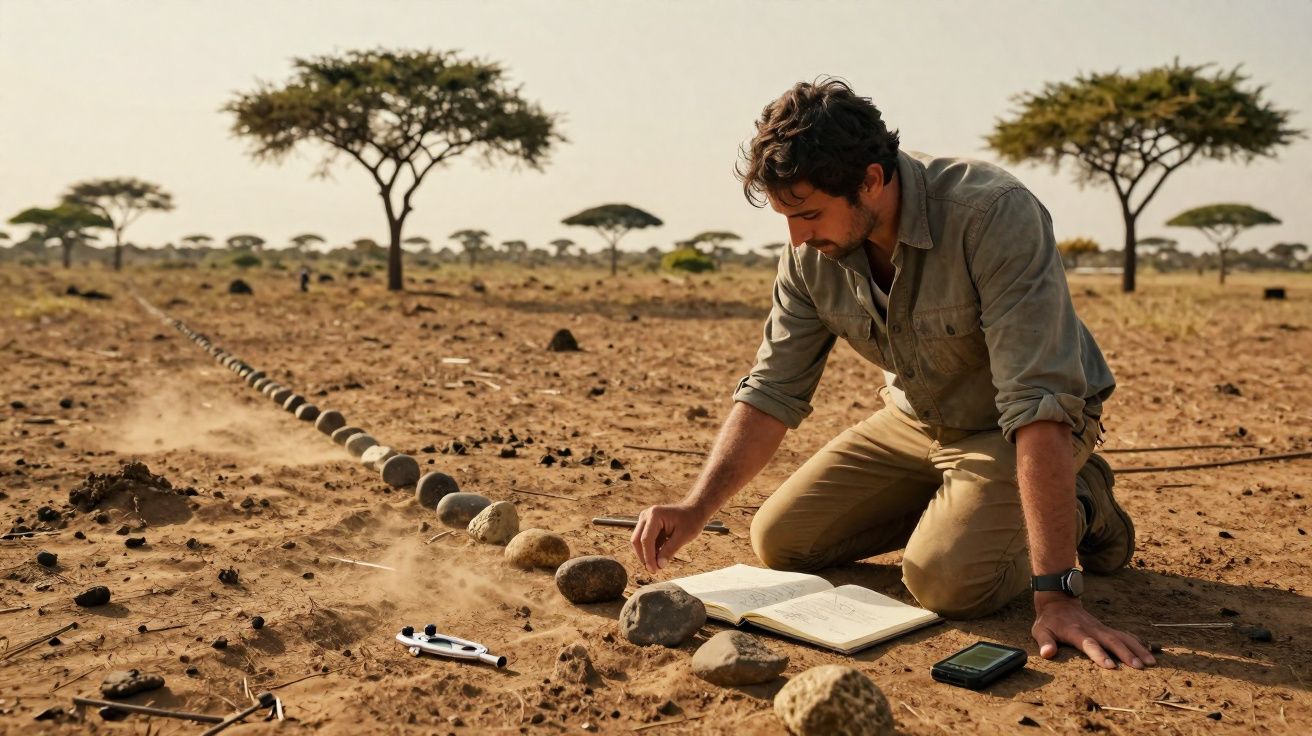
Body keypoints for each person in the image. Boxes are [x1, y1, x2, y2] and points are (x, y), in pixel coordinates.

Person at [631, 78, 1153, 671]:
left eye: (809, 214)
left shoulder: (991, 215)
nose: (797, 238)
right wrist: (695, 507)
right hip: (914, 421)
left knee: (947, 583)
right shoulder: (809, 253)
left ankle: (1081, 500)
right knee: (781, 540)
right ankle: (965, 509)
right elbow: (773, 389)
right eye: (787, 217)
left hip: (1016, 428)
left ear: (871, 181)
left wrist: (1057, 594)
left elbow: (1038, 402)